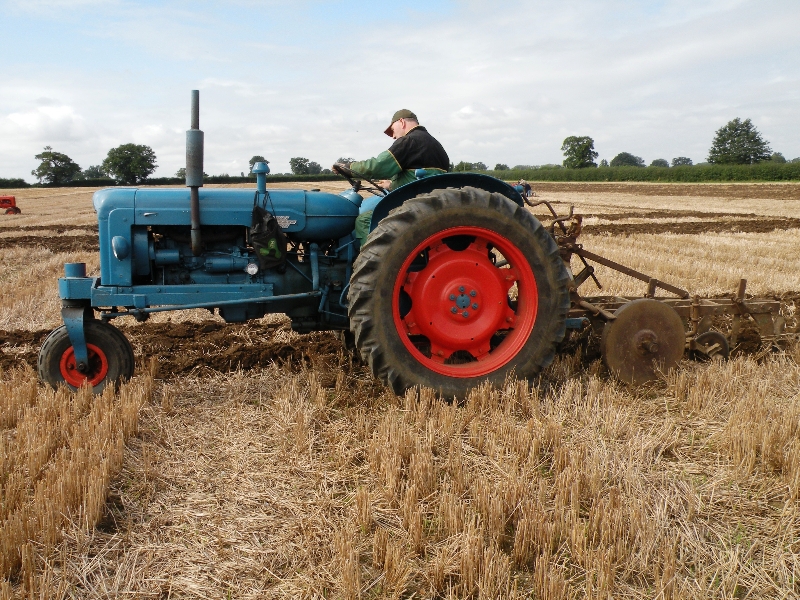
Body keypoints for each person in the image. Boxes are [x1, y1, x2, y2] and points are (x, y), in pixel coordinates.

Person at [334, 109, 449, 244]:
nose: (393, 136)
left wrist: (348, 168)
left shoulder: (410, 141)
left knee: (364, 220)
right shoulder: (434, 145)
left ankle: (371, 263)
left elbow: (378, 166)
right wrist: (391, 184)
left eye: (392, 130)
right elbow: (421, 178)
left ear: (401, 122)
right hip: (425, 200)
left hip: (411, 204)